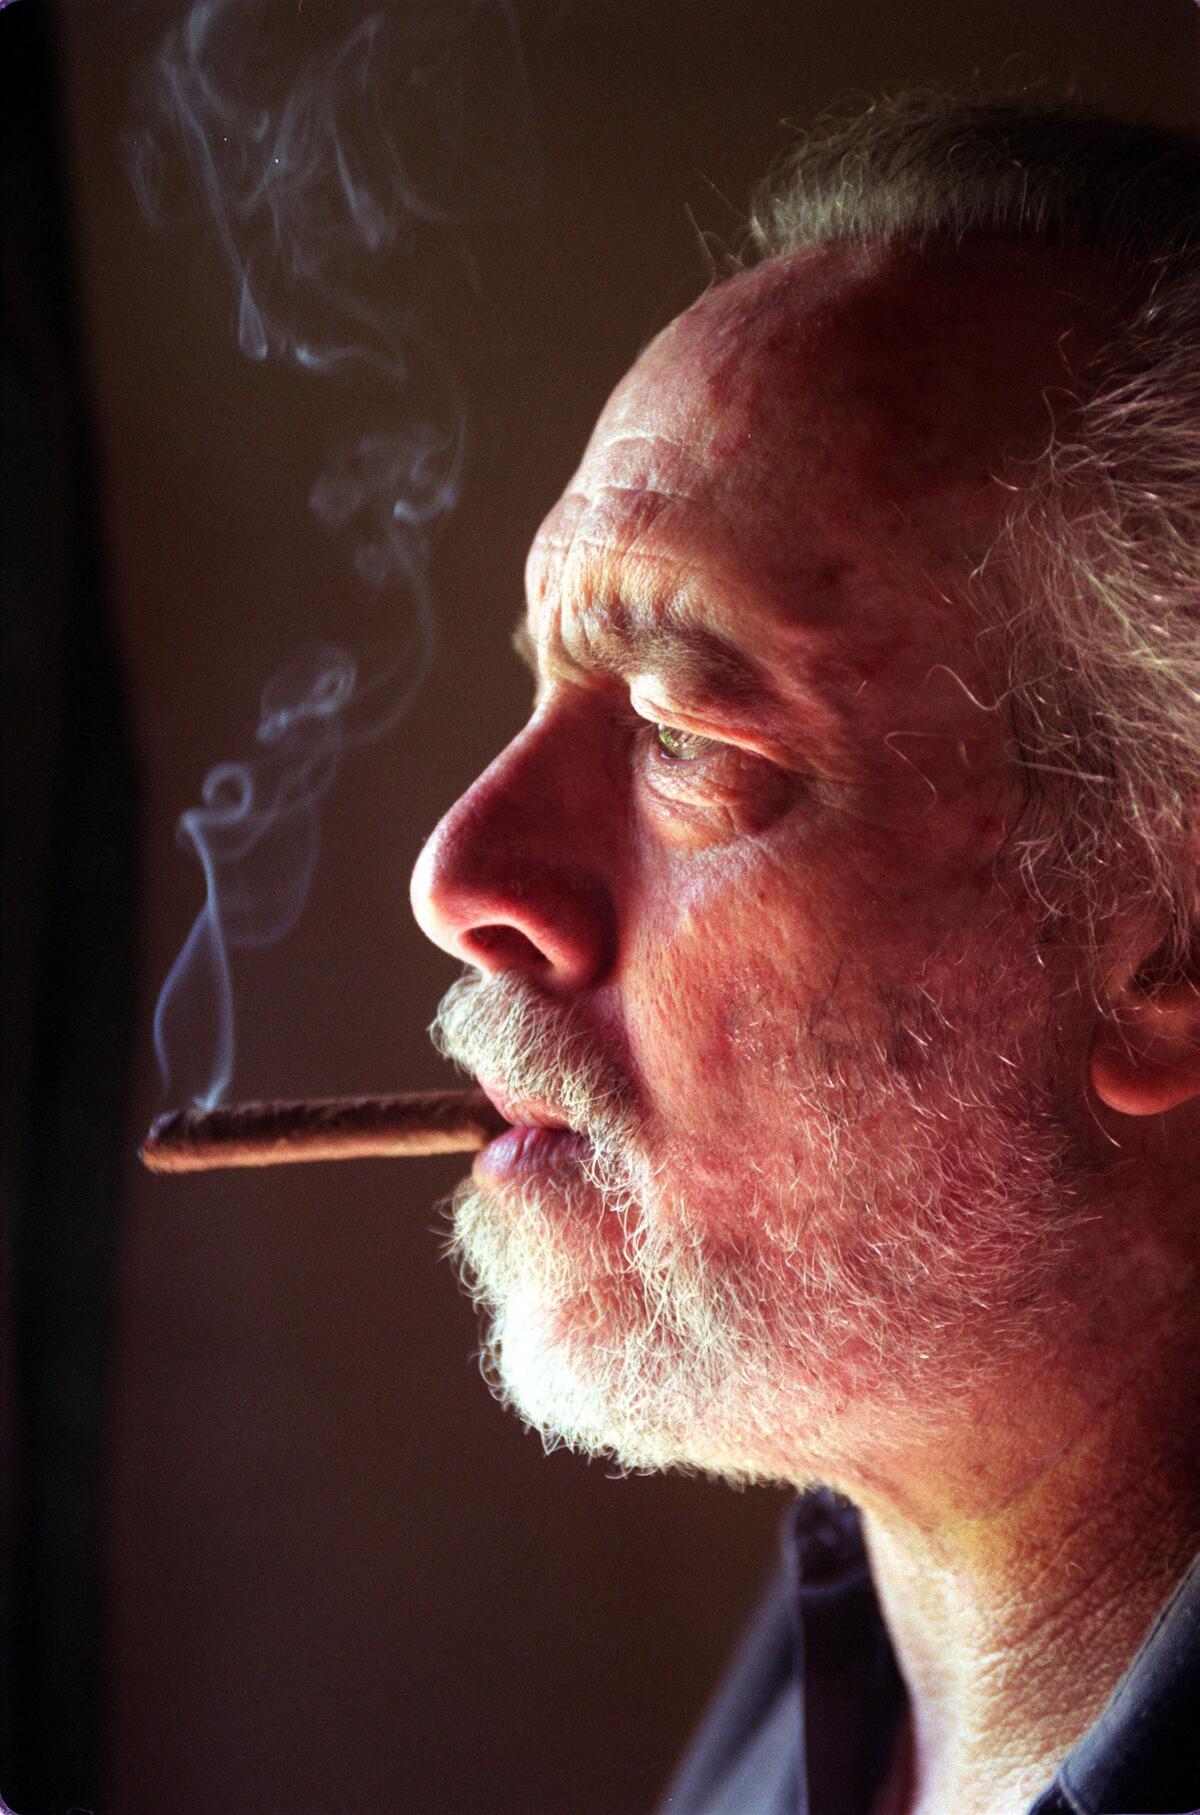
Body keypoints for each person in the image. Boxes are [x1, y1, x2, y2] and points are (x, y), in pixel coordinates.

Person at [409, 93, 1200, 1815]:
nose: (461, 871)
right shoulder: (821, 1670)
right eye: (543, 690)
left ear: (1173, 949)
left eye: (689, 729)